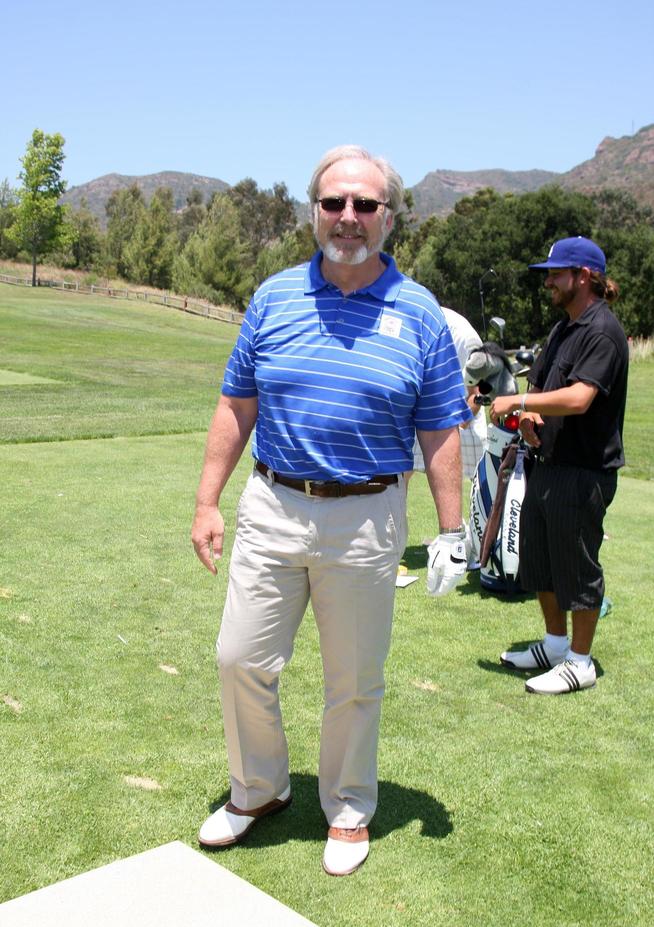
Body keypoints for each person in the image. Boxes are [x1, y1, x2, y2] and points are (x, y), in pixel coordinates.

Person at [191, 145, 472, 875]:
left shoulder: (419, 315)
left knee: (355, 677)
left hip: (368, 515)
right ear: (315, 211)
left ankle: (348, 808)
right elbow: (237, 402)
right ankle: (260, 789)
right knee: (239, 658)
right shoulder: (274, 296)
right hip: (273, 502)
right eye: (335, 203)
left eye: (365, 205)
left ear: (387, 217)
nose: (349, 217)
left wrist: (452, 531)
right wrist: (206, 500)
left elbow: (440, 427)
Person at [489, 236, 628, 695]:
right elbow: (550, 393)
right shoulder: (563, 328)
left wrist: (520, 398)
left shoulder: (603, 331)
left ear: (583, 276)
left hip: (584, 471)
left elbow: (579, 397)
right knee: (540, 562)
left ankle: (581, 662)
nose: (547, 281)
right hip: (547, 462)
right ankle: (554, 644)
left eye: (555, 273)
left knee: (577, 568)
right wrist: (529, 419)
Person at [412, 307, 488, 480]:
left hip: (465, 419)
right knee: (403, 470)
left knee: (477, 479)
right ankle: (398, 507)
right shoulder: (420, 326)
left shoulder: (467, 340)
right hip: (428, 410)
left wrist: (453, 431)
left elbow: (476, 397)